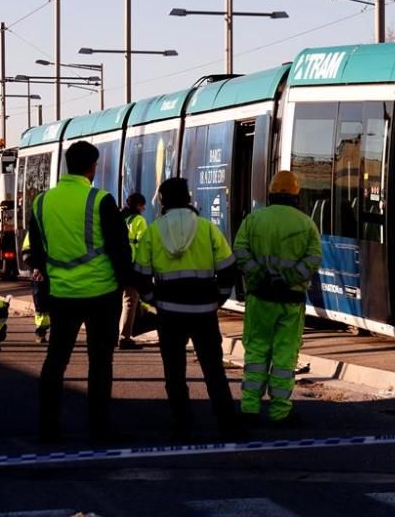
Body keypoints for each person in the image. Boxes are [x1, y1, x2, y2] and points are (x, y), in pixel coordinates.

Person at [28, 141, 132, 443]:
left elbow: (36, 250)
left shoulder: (42, 202)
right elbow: (118, 247)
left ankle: (48, 427)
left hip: (62, 295)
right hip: (101, 294)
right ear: (91, 167)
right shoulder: (100, 199)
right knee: (100, 363)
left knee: (56, 359)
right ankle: (99, 428)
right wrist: (128, 280)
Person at [134, 178, 240, 441]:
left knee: (174, 372)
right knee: (214, 369)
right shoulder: (207, 229)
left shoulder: (153, 232)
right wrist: (220, 299)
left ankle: (181, 423)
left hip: (169, 313)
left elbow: (140, 274)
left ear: (162, 202)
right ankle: (228, 423)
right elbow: (228, 268)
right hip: (204, 312)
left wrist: (152, 300)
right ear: (188, 199)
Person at [233, 170, 322, 425]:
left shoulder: (254, 220)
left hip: (260, 298)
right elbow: (314, 258)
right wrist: (290, 278)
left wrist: (260, 275)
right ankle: (280, 411)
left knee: (257, 351)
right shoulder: (306, 224)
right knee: (285, 356)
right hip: (290, 300)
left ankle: (249, 407)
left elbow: (240, 251)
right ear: (296, 196)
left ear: (271, 194)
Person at [119, 192, 148, 350]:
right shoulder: (139, 221)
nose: (144, 209)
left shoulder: (118, 217)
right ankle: (124, 338)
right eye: (142, 205)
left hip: (114, 265)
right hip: (131, 266)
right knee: (129, 301)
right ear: (137, 205)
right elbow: (143, 245)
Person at [20, 233, 51, 343]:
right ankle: (41, 331)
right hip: (43, 271)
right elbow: (26, 253)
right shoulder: (37, 226)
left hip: (59, 271)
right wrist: (37, 267)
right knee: (41, 300)